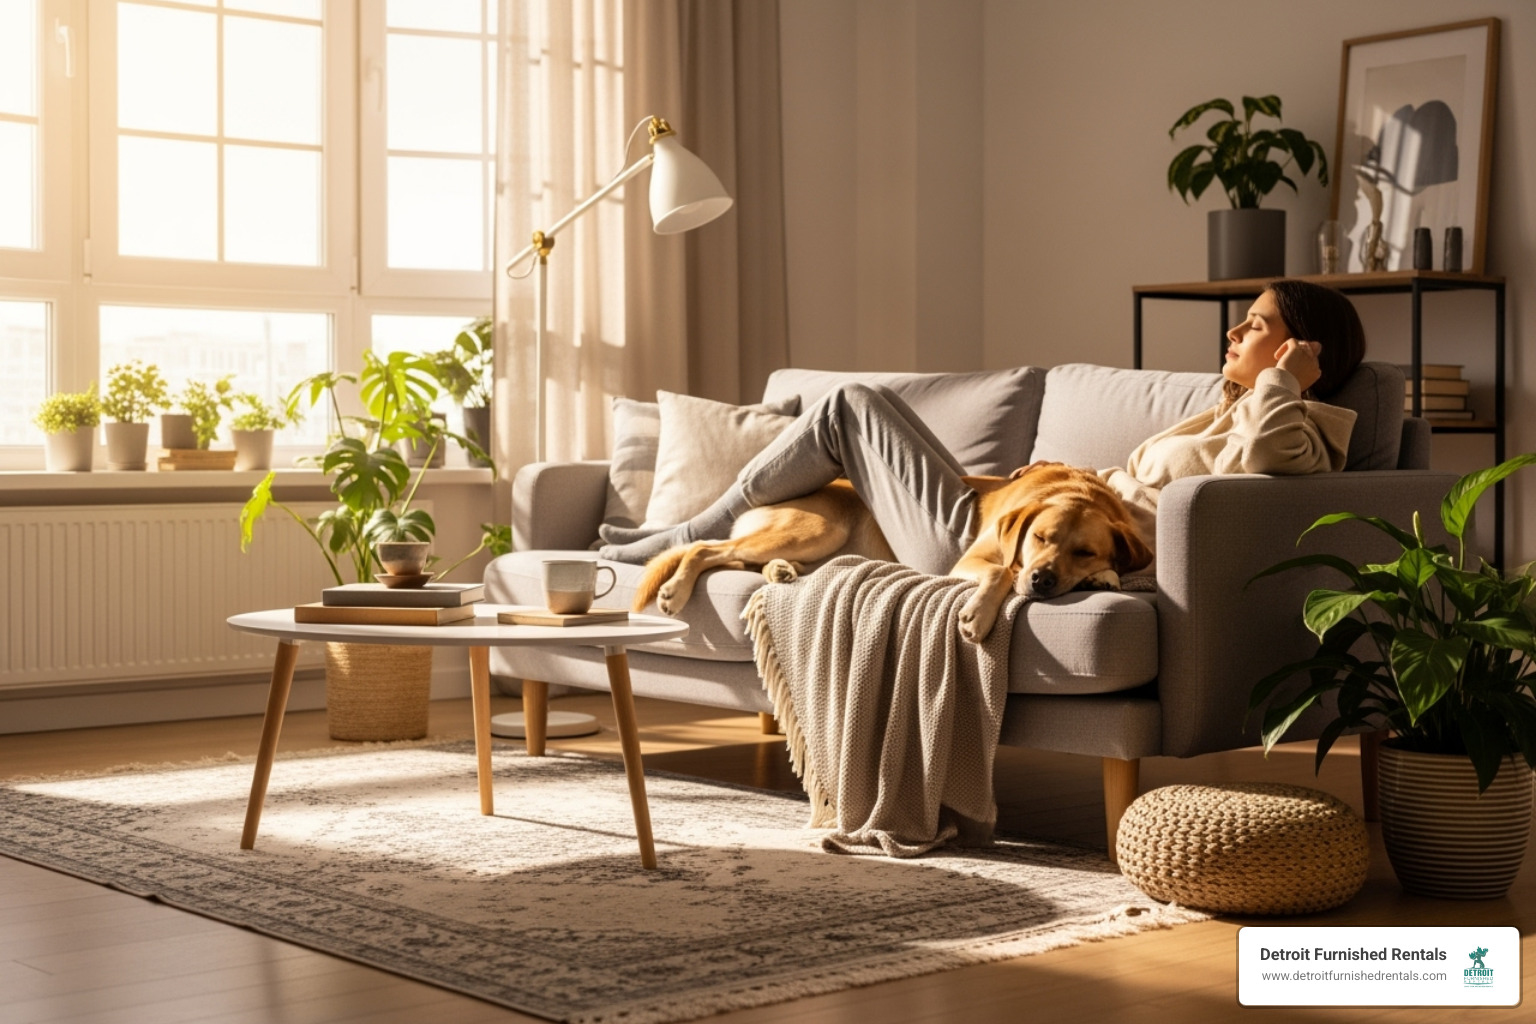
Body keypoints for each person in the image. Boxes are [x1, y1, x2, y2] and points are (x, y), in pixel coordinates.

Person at [599, 279, 1366, 576]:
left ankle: (685, 534)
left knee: (849, 405)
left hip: (987, 547)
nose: (1234, 331)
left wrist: (1283, 381)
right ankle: (691, 532)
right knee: (851, 411)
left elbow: (1272, 457)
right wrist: (1051, 480)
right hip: (1012, 514)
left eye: (1256, 324)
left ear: (1303, 351)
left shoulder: (1300, 429)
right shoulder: (1232, 410)